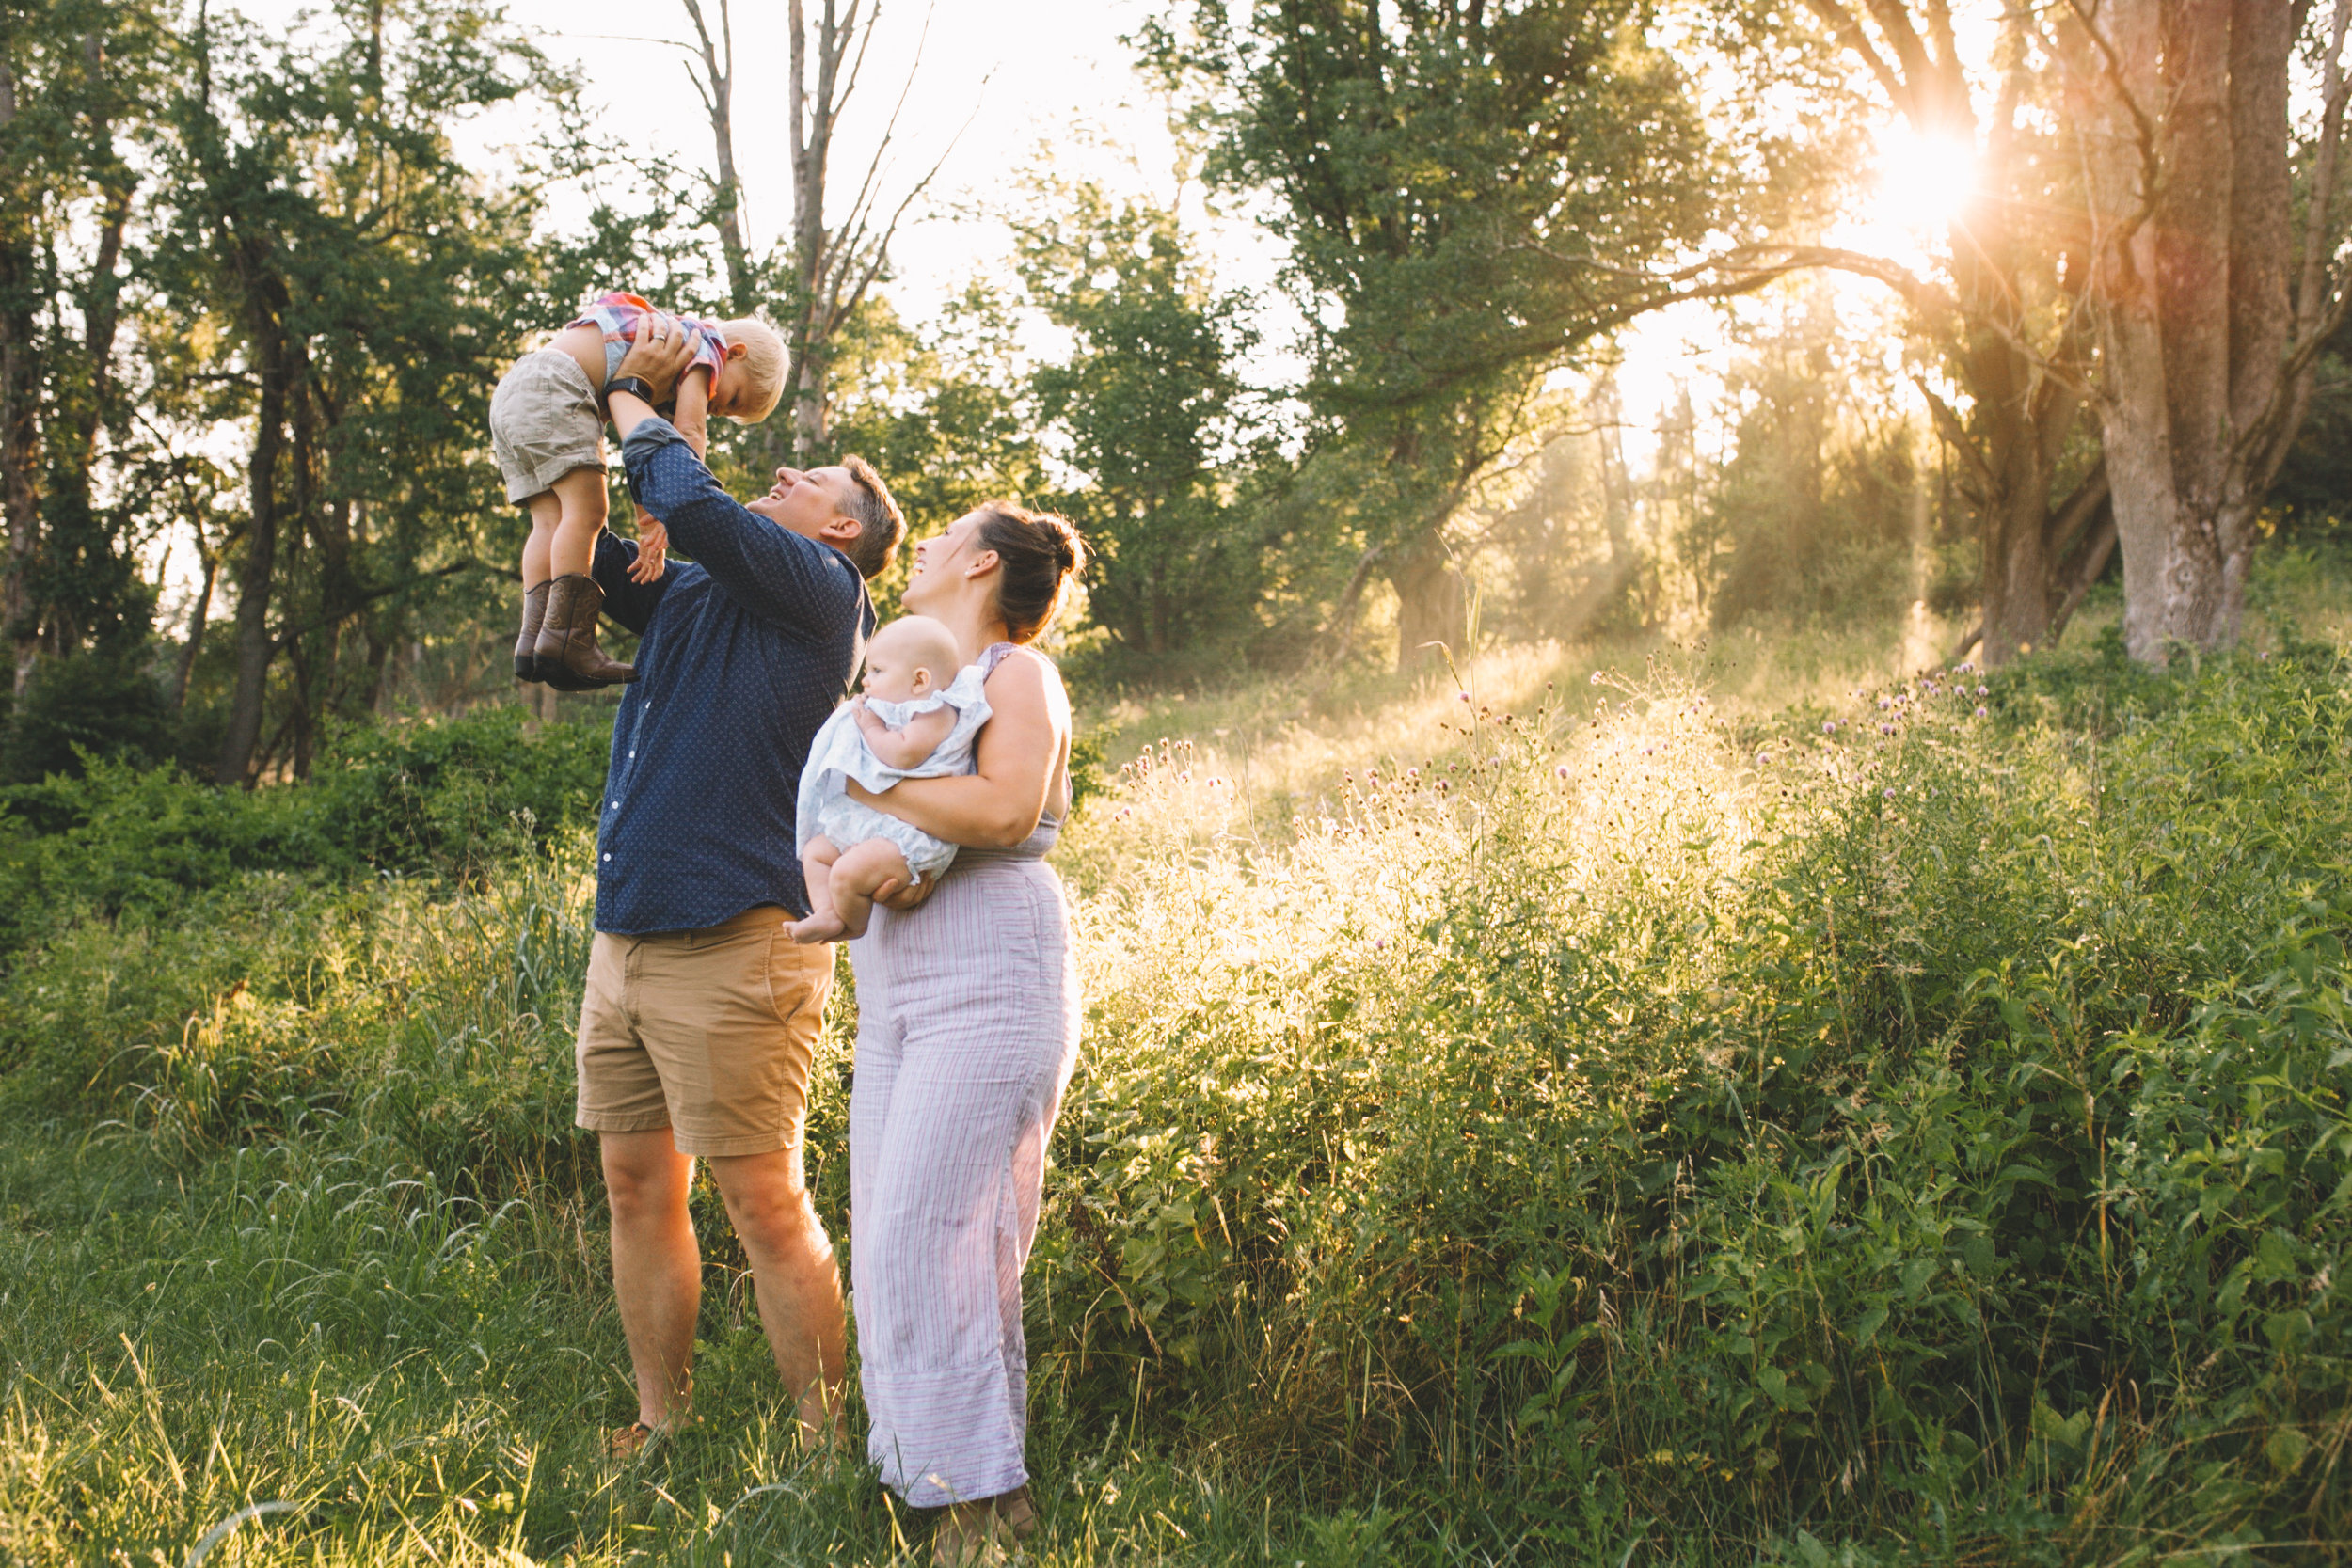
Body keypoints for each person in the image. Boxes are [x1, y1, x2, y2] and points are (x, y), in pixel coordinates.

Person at [567, 316, 906, 1456]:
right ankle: (660, 1421)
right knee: (633, 1187)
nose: (786, 473)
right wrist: (567, 437)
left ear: (844, 527)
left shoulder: (821, 593)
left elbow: (697, 501)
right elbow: (609, 552)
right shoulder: (700, 588)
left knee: (763, 1200)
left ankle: (820, 1443)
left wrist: (636, 396)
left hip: (736, 943)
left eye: (810, 477)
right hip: (626, 940)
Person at [839, 499, 1088, 1564]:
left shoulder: (1014, 674)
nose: (924, 547)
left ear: (981, 563)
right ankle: (971, 1484)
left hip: (992, 971)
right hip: (895, 984)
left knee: (939, 1237)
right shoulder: (915, 684)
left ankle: (973, 1516)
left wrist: (868, 780)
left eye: (944, 535)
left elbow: (998, 810)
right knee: (897, 1241)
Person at [489, 290, 787, 688]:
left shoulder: (665, 346)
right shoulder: (703, 349)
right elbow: (688, 433)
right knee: (588, 514)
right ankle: (570, 638)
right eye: (732, 399)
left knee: (549, 521)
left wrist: (650, 522)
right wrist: (679, 501)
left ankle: (536, 640)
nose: (719, 409)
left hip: (517, 389)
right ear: (735, 353)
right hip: (557, 387)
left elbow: (645, 451)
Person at [790, 615, 992, 945]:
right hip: (875, 820)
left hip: (911, 833)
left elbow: (902, 754)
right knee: (815, 852)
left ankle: (852, 926)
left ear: (919, 681)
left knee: (846, 871)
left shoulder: (935, 712)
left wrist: (870, 729)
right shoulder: (891, 710)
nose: (865, 682)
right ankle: (826, 912)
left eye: (877, 671)